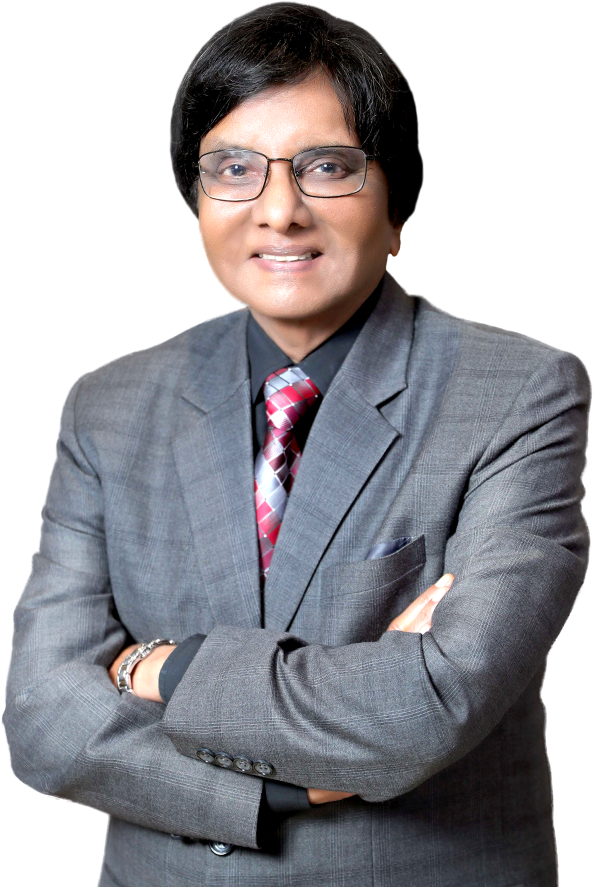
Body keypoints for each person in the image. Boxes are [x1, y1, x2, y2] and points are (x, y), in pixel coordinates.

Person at [6, 4, 589, 886]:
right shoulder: (110, 409)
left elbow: (430, 705)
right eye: (234, 169)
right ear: (198, 198)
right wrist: (272, 795)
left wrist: (163, 666)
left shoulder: (517, 396)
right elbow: (48, 715)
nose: (278, 211)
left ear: (395, 195)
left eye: (327, 167)